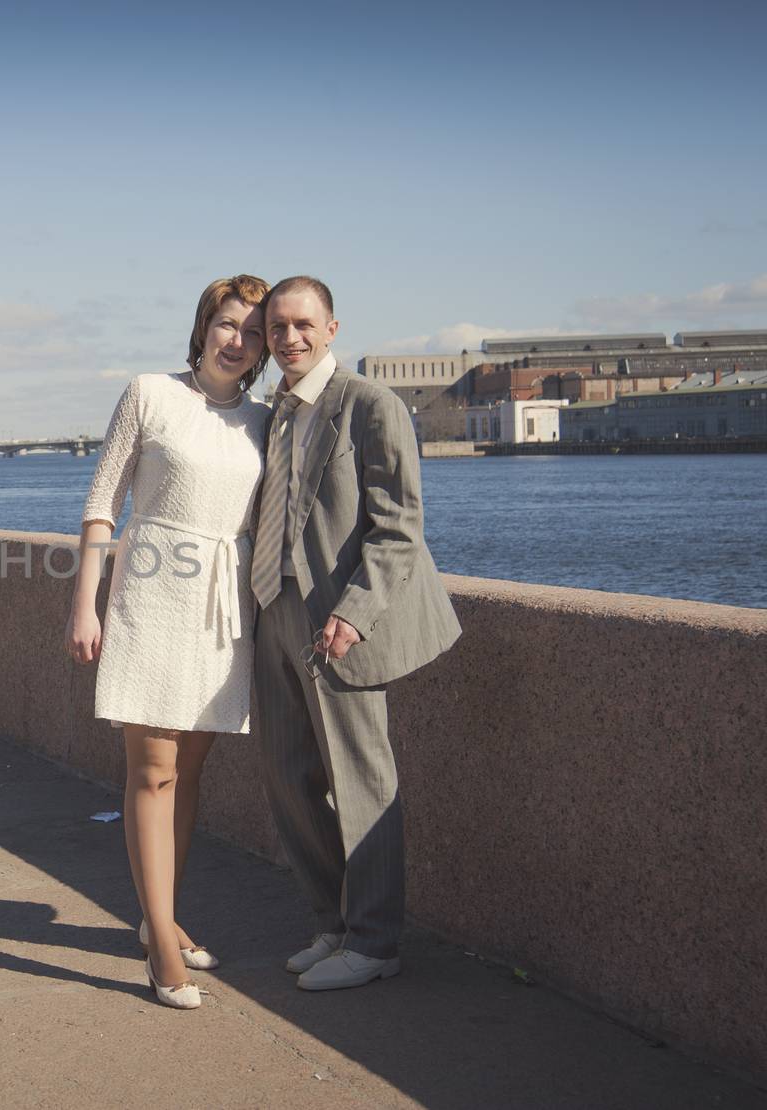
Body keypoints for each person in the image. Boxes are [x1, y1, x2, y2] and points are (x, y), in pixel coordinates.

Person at [249, 276, 461, 991]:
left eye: (303, 324)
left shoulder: (371, 404)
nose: (290, 338)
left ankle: (373, 942)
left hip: (338, 619)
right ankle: (333, 925)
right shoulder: (277, 409)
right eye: (277, 327)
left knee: (363, 780)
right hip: (272, 608)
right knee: (287, 778)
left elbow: (399, 525)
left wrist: (354, 614)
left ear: (333, 327)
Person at [67, 276, 271, 1009]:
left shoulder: (265, 419)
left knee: (187, 772)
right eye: (225, 323)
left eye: (252, 331)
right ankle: (158, 942)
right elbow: (101, 502)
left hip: (224, 607)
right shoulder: (148, 393)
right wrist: (84, 605)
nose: (236, 340)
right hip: (151, 593)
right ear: (202, 326)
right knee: (151, 771)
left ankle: (165, 915)